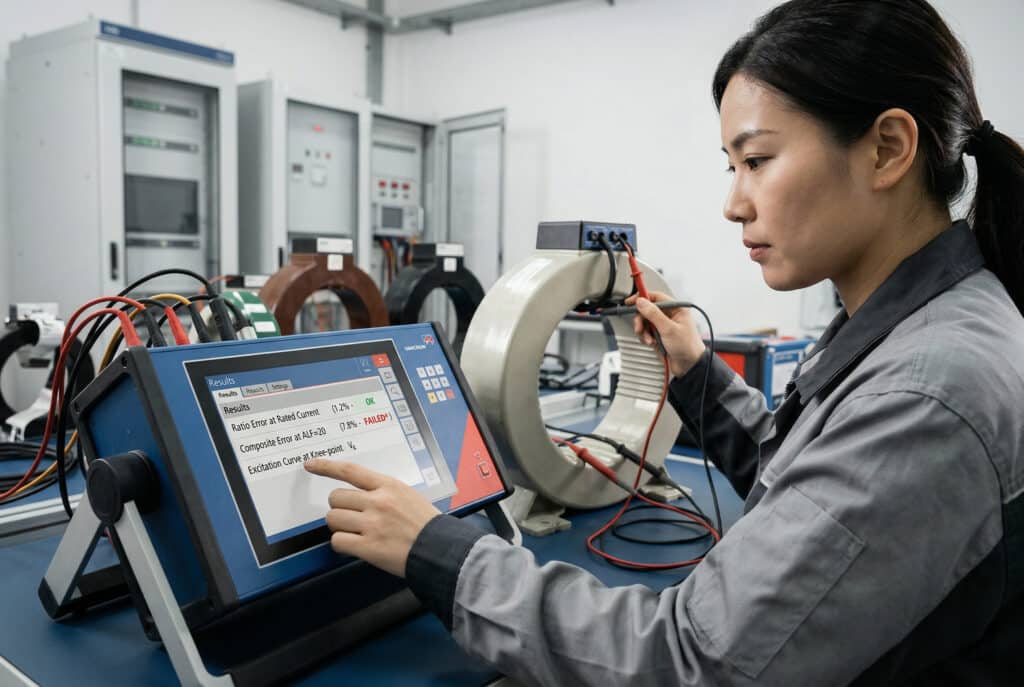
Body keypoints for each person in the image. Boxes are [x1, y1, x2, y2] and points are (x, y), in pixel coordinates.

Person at [304, 0, 1024, 683]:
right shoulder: (937, 325)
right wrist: (697, 377)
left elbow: (690, 661)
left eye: (759, 160)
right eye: (730, 165)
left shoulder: (930, 391)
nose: (733, 202)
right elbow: (820, 486)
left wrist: (442, 555)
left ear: (887, 148)